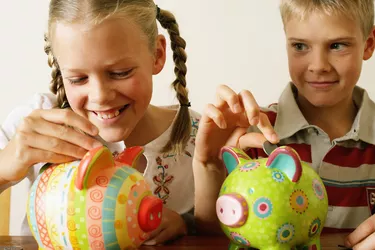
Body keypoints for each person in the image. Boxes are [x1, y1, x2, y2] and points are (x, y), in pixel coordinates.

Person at [0, 0, 200, 246]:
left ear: (157, 55)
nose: (100, 96)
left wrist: (186, 224)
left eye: (120, 73)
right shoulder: (36, 121)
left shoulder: (197, 138)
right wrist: (5, 164)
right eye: (78, 78)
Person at [193, 0, 375, 249]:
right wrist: (209, 166)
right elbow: (215, 234)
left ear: (369, 44)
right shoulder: (252, 135)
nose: (319, 65)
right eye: (300, 46)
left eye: (337, 45)